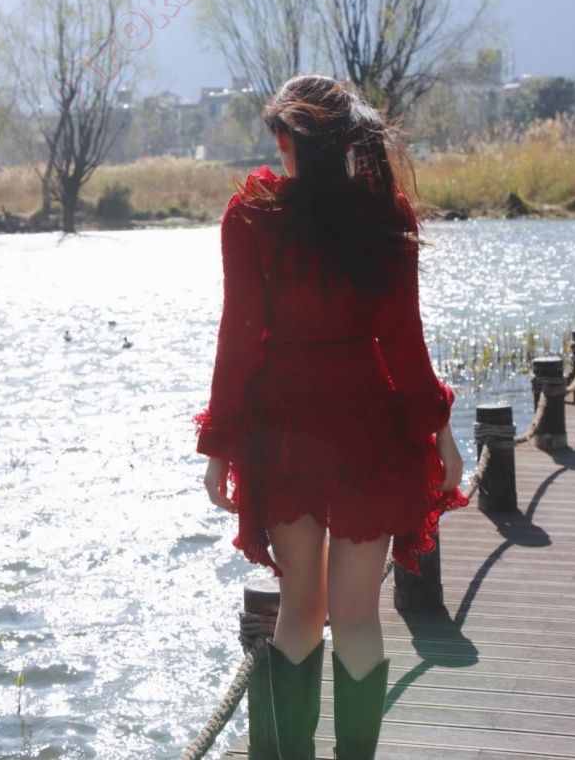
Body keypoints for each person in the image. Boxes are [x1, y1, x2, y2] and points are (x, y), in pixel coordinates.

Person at [192, 74, 468, 760]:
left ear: (287, 140)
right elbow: (403, 339)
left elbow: (239, 336)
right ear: (346, 144)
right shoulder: (382, 212)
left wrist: (221, 445)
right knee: (356, 616)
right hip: (368, 432)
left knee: (299, 610)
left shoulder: (251, 216)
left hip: (285, 433)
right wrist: (440, 433)